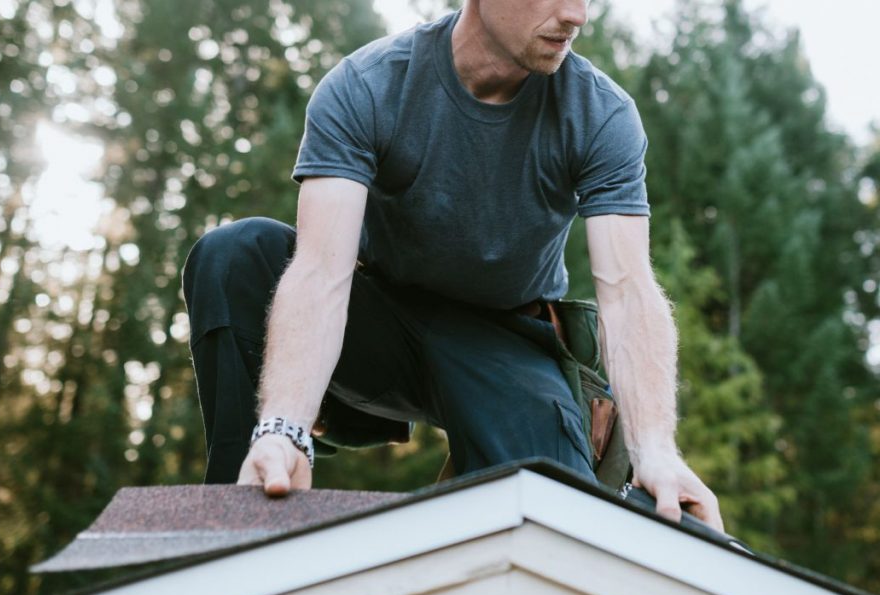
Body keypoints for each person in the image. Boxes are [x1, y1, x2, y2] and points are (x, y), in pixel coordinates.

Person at [182, 0, 725, 532]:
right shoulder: (369, 86)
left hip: (506, 343)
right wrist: (285, 428)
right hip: (382, 323)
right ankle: (246, 502)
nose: (576, 15)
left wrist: (654, 449)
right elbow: (321, 273)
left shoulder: (598, 113)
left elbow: (629, 292)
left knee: (560, 519)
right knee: (234, 254)